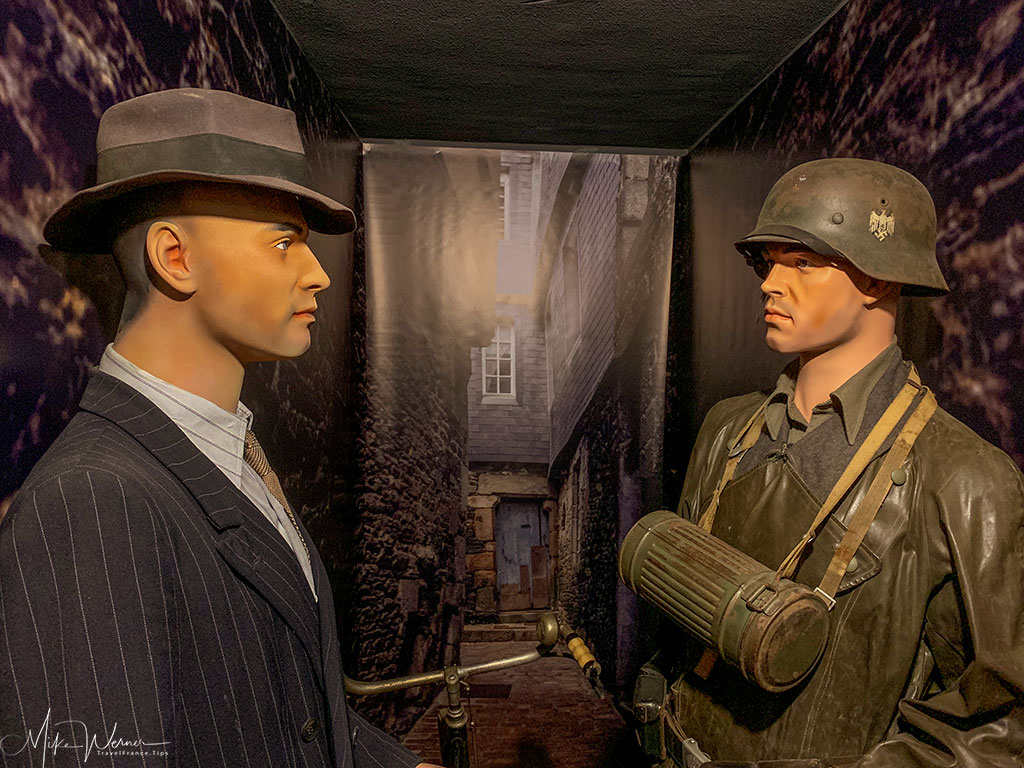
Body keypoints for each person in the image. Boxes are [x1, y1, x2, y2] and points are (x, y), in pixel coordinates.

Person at [0, 88, 439, 768]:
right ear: (175, 257)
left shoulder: (230, 454)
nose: (317, 273)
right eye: (284, 243)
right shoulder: (88, 503)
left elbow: (292, 713)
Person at [639, 158, 1024, 767]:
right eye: (769, 262)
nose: (770, 282)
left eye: (805, 263)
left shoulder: (966, 481)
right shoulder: (725, 431)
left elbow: (998, 729)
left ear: (880, 280)